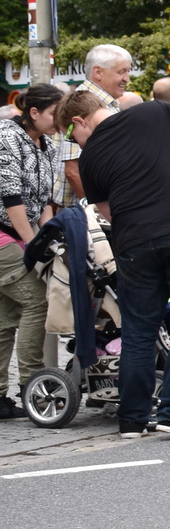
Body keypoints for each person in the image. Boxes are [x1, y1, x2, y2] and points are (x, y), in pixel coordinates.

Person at [59, 88, 170, 438]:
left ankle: (132, 418)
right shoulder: (157, 111)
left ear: (79, 120)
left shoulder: (89, 160)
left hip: (133, 243)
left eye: (73, 136)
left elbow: (108, 213)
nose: (77, 143)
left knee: (138, 330)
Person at [0, 85, 63, 418]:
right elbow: (12, 199)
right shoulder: (6, 137)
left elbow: (45, 202)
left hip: (22, 234)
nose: (59, 120)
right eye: (54, 113)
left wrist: (47, 236)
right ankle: (31, 385)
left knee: (5, 315)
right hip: (5, 234)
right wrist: (33, 246)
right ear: (34, 113)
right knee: (37, 300)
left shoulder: (48, 144)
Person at [56, 44, 132, 205]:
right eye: (121, 71)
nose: (127, 78)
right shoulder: (80, 103)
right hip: (83, 217)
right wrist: (97, 212)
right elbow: (73, 170)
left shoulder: (105, 102)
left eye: (128, 71)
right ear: (98, 72)